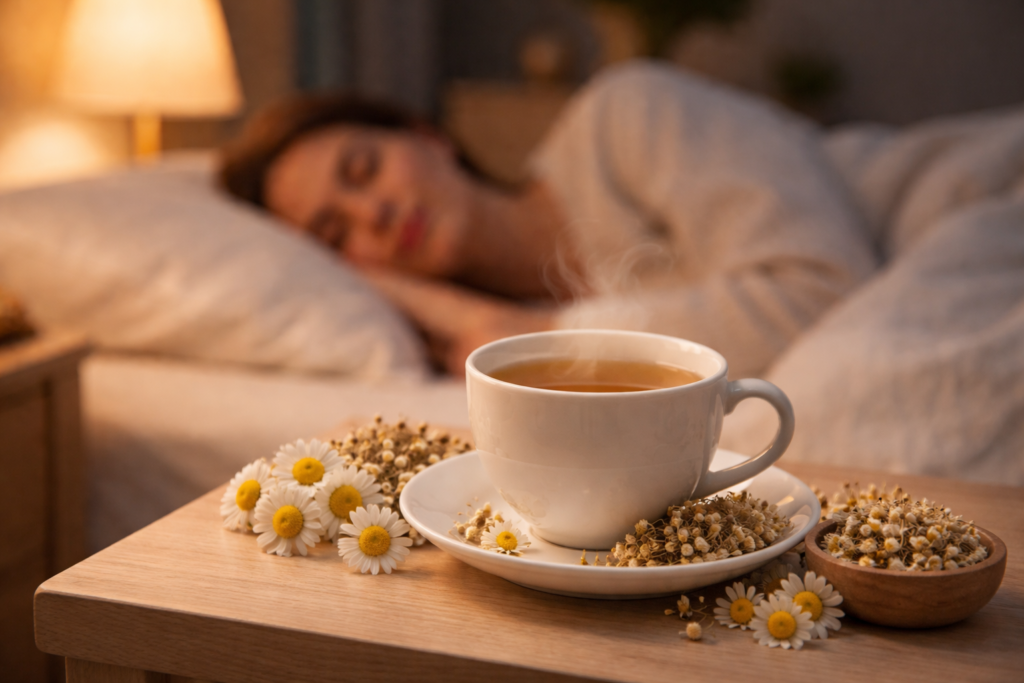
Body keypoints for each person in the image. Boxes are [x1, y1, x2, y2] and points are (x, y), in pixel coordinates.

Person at [219, 61, 876, 377]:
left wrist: (536, 333)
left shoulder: (624, 117)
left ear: (428, 137)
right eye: (338, 234)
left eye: (364, 170)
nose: (376, 213)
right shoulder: (476, 351)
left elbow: (823, 289)